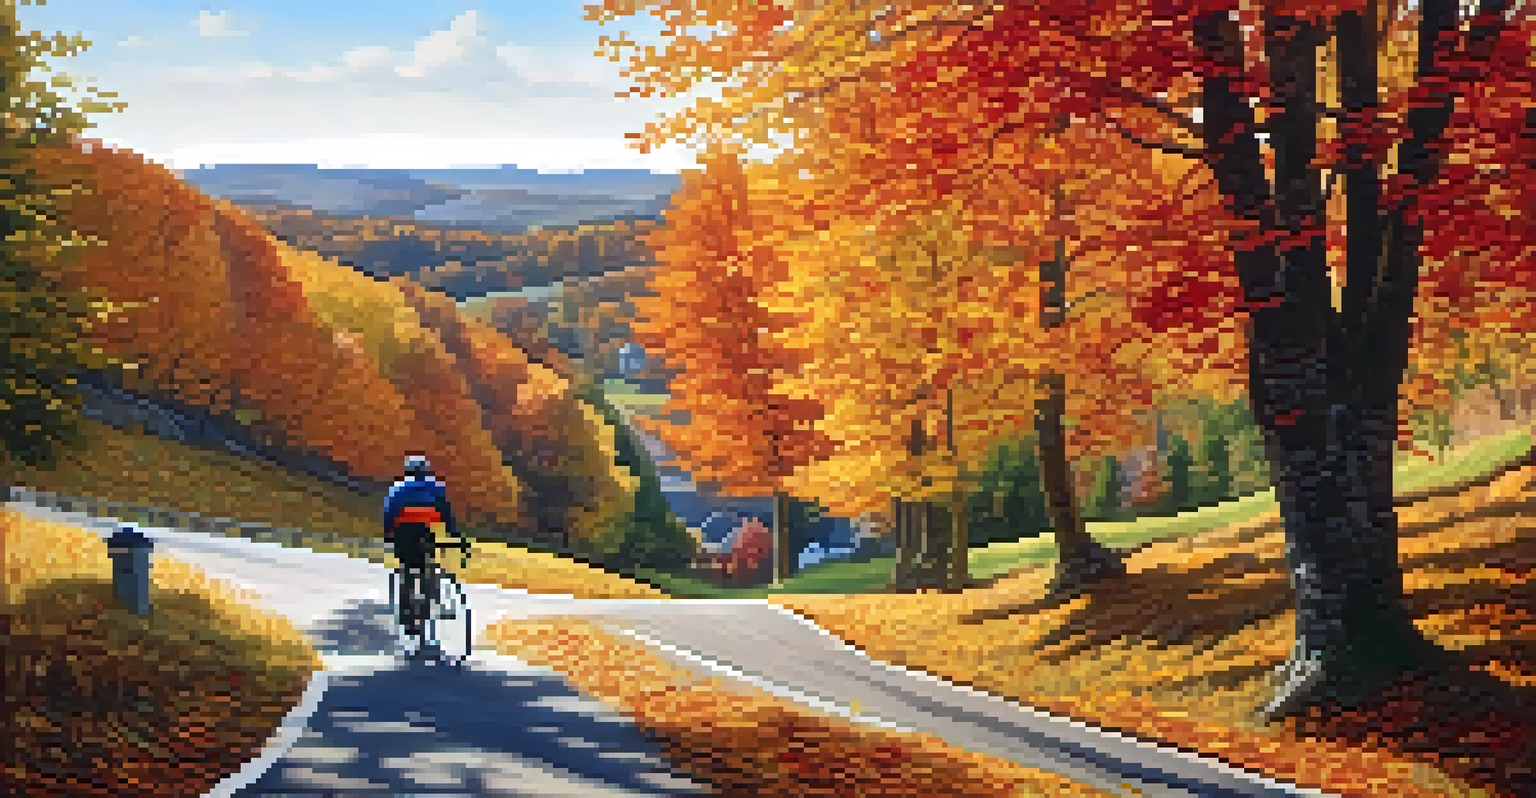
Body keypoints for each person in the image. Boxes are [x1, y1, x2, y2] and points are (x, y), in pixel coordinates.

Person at [383, 454, 460, 636]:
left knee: (407, 568)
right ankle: (430, 601)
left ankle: (406, 613)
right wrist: (452, 532)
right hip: (424, 531)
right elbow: (446, 511)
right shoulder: (435, 486)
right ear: (425, 471)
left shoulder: (398, 487)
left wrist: (388, 534)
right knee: (428, 563)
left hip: (403, 533)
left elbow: (389, 512)